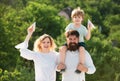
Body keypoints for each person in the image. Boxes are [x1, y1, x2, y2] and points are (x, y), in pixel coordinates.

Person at [59, 7, 93, 73]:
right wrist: (70, 33)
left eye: (79, 17)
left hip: (80, 43)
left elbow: (87, 38)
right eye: (75, 17)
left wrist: (89, 29)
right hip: (71, 42)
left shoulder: (83, 28)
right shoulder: (70, 25)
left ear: (82, 19)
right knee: (62, 48)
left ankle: (80, 66)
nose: (77, 19)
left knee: (82, 50)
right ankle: (62, 65)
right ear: (72, 18)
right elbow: (66, 34)